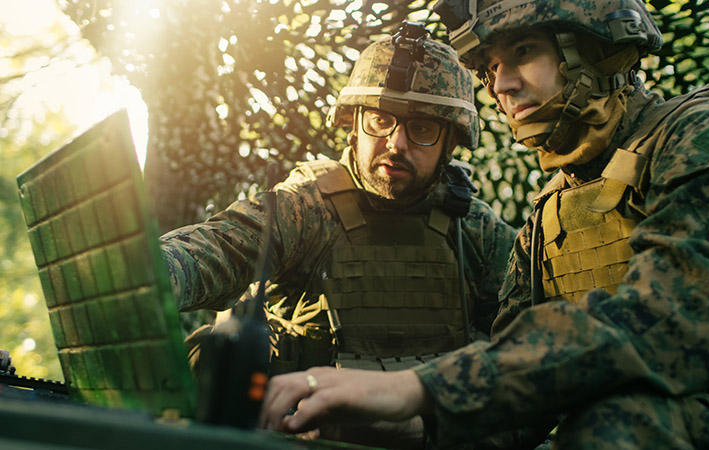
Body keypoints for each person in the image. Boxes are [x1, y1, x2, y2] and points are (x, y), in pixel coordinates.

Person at [261, 1, 709, 448]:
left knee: (618, 424)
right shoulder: (548, 217)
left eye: (523, 52)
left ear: (594, 47)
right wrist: (416, 426)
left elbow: (670, 325)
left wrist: (419, 389)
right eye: (491, 69)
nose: (503, 84)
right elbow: (520, 406)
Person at [160, 21, 515, 393]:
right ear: (354, 125)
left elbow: (534, 341)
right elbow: (222, 246)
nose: (396, 143)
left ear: (450, 144)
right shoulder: (308, 207)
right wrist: (156, 273)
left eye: (422, 129)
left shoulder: (474, 230)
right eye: (380, 119)